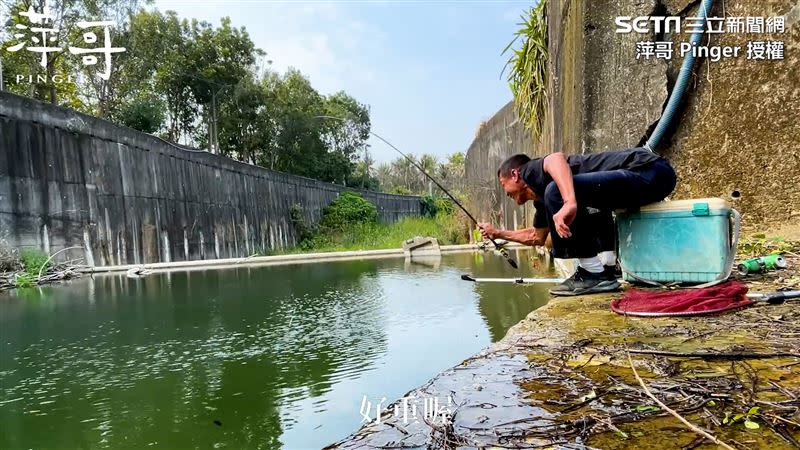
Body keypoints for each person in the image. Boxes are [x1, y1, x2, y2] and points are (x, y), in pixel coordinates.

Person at [478, 147, 677, 296]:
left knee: (556, 191)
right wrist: (497, 233)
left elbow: (555, 158)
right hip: (651, 181)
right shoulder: (543, 200)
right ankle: (607, 269)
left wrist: (569, 201)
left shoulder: (531, 172)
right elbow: (536, 237)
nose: (505, 193)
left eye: (503, 184)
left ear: (515, 175)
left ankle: (592, 273)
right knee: (579, 198)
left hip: (648, 170)